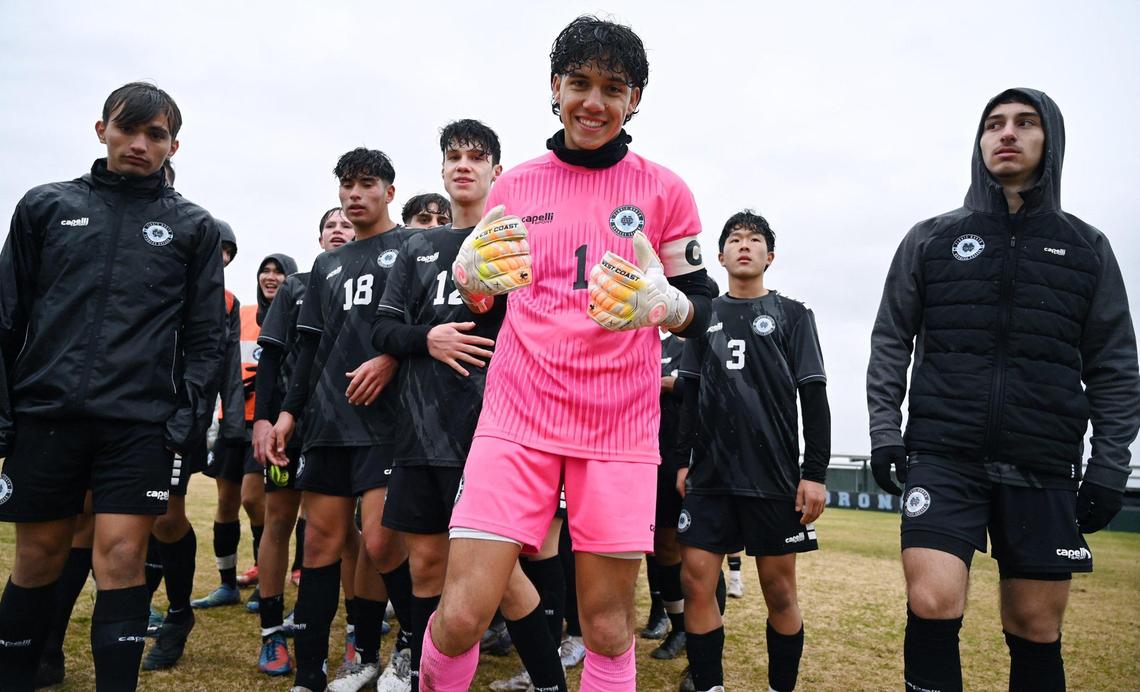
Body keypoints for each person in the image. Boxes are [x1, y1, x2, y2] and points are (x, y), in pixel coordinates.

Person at [418, 16, 712, 691]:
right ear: (555, 87)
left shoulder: (665, 191)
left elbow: (704, 309)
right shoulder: (515, 185)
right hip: (516, 419)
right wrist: (472, 282)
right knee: (461, 615)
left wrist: (671, 307)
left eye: (614, 88)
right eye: (579, 82)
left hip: (617, 429)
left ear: (634, 98)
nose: (594, 101)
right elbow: (482, 301)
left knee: (607, 627)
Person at [867, 88, 1140, 692]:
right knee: (933, 600)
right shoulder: (932, 238)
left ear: (1052, 140)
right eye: (993, 125)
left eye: (1024, 123)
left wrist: (1108, 468)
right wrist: (886, 433)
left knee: (1035, 624)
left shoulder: (1087, 248)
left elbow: (1116, 368)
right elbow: (891, 340)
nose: (1006, 134)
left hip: (1042, 461)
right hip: (944, 456)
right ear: (979, 141)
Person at [0, 81, 225, 691]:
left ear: (173, 144)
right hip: (46, 414)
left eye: (156, 135)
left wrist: (187, 414)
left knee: (123, 558)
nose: (139, 144)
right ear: (101, 129)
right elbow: (7, 316)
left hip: (138, 424)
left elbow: (208, 338)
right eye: (129, 129)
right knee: (39, 557)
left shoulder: (193, 227)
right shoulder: (44, 207)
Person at [373, 119, 567, 692]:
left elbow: (541, 328)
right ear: (441, 169)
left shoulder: (515, 241)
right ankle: (425, 672)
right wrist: (426, 339)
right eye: (454, 155)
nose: (464, 164)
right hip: (418, 430)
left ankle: (548, 679)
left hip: (491, 432)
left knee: (501, 579)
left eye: (477, 157)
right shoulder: (417, 247)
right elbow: (383, 330)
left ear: (496, 172)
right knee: (427, 565)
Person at [271, 148, 414, 692]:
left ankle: (410, 652)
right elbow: (306, 352)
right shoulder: (326, 268)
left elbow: (424, 328)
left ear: (389, 193)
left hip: (389, 423)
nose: (355, 195)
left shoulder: (411, 248)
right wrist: (288, 413)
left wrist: (393, 357)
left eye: (366, 185)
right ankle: (313, 674)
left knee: (380, 544)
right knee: (319, 546)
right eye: (346, 186)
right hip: (327, 424)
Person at [676, 211, 829, 692]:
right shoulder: (703, 317)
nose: (745, 246)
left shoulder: (793, 315)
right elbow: (688, 394)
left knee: (779, 592)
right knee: (696, 580)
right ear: (720, 256)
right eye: (735, 240)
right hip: (711, 477)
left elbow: (815, 398)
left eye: (755, 239)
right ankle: (710, 686)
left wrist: (815, 472)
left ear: (770, 256)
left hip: (773, 478)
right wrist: (682, 460)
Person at [251, 207, 355, 677]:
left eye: (347, 225)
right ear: (318, 238)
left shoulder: (376, 279)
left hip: (347, 429)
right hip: (292, 431)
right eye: (330, 225)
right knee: (278, 520)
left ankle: (358, 633)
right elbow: (270, 359)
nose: (339, 230)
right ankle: (272, 633)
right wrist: (264, 420)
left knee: (347, 532)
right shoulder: (295, 285)